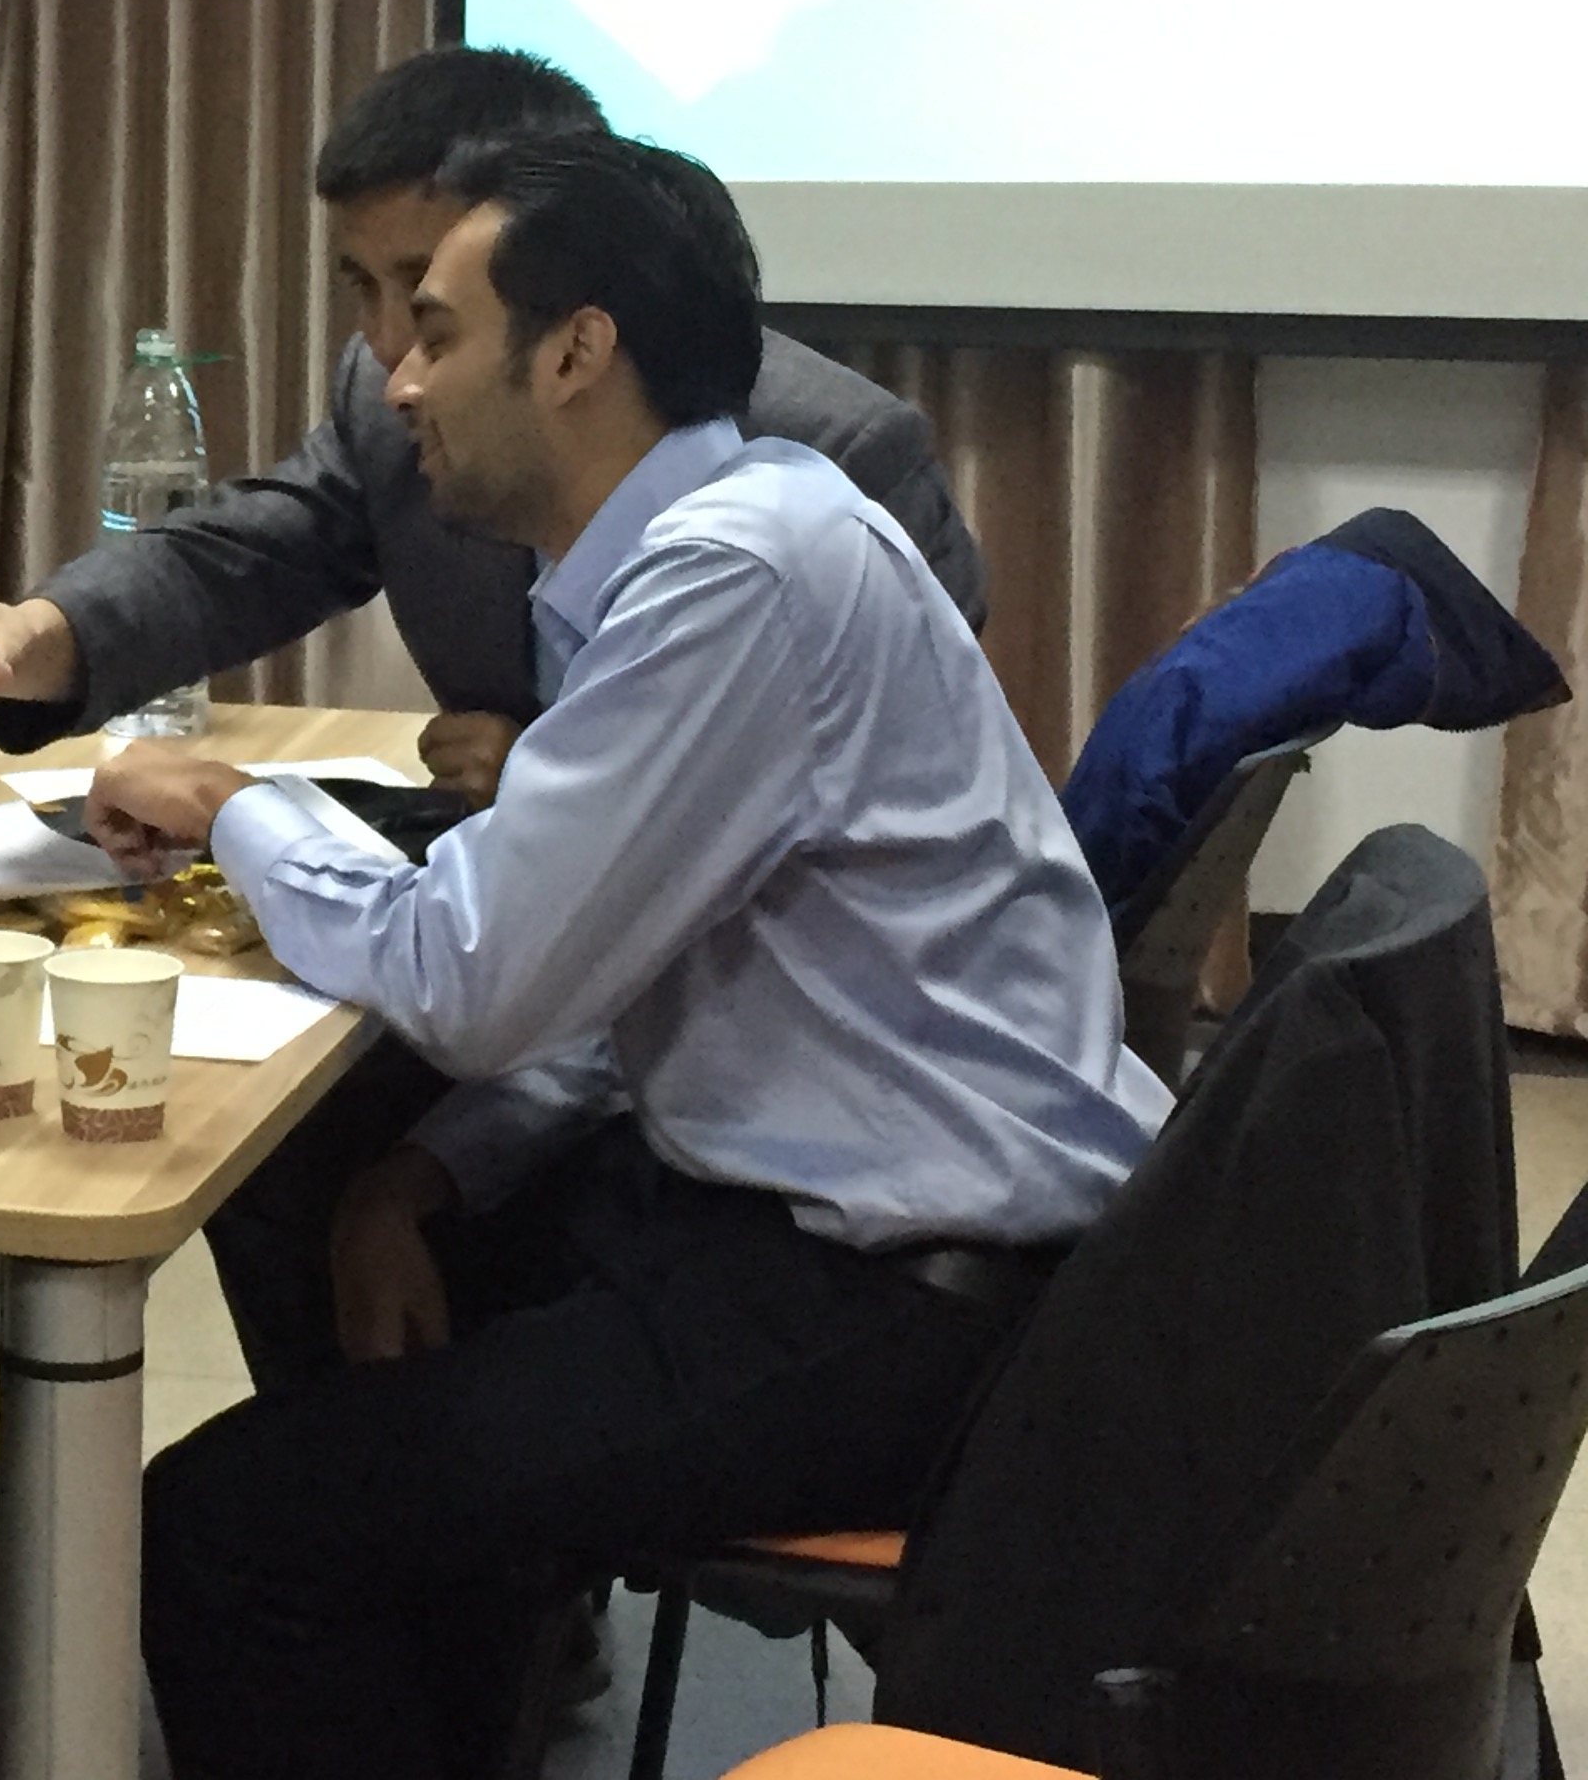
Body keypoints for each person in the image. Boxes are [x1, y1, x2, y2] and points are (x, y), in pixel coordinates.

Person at [78, 130, 1169, 1779]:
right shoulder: (738, 530)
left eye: (436, 332)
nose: (398, 384)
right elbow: (607, 974)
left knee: (226, 1529)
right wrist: (420, 1177)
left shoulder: (732, 577)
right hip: (829, 1217)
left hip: (896, 1303)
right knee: (339, 1196)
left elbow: (469, 975)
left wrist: (235, 803)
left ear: (575, 351)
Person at [0, 44, 984, 806]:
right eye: (363, 288)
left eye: (428, 292)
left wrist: (570, 782)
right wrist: (29, 636)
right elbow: (243, 556)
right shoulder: (391, 407)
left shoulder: (836, 461)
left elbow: (886, 803)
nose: (390, 349)